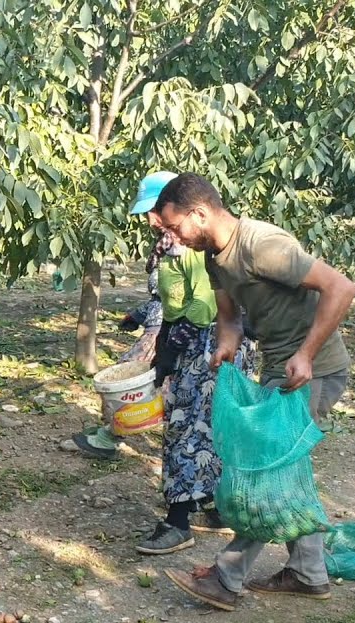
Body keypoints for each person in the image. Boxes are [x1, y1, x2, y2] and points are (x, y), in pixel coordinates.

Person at [154, 173, 355, 610]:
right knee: (282, 470)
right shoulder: (213, 258)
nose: (170, 236)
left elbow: (342, 287)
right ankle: (308, 573)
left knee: (264, 475)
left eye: (174, 227)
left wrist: (306, 353)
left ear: (200, 213)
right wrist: (226, 346)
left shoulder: (262, 245)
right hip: (279, 368)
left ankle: (226, 578)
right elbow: (228, 316)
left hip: (312, 371)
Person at [135, 174, 256, 555]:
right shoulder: (170, 246)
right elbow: (173, 301)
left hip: (213, 343)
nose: (153, 221)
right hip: (202, 341)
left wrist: (173, 344)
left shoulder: (192, 246)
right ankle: (218, 504)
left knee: (189, 428)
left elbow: (206, 308)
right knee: (208, 426)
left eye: (157, 213)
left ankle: (178, 521)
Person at [64, 268, 163, 459]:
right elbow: (150, 307)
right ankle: (110, 433)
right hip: (170, 339)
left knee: (132, 389)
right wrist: (132, 318)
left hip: (160, 341)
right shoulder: (161, 299)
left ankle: (108, 437)